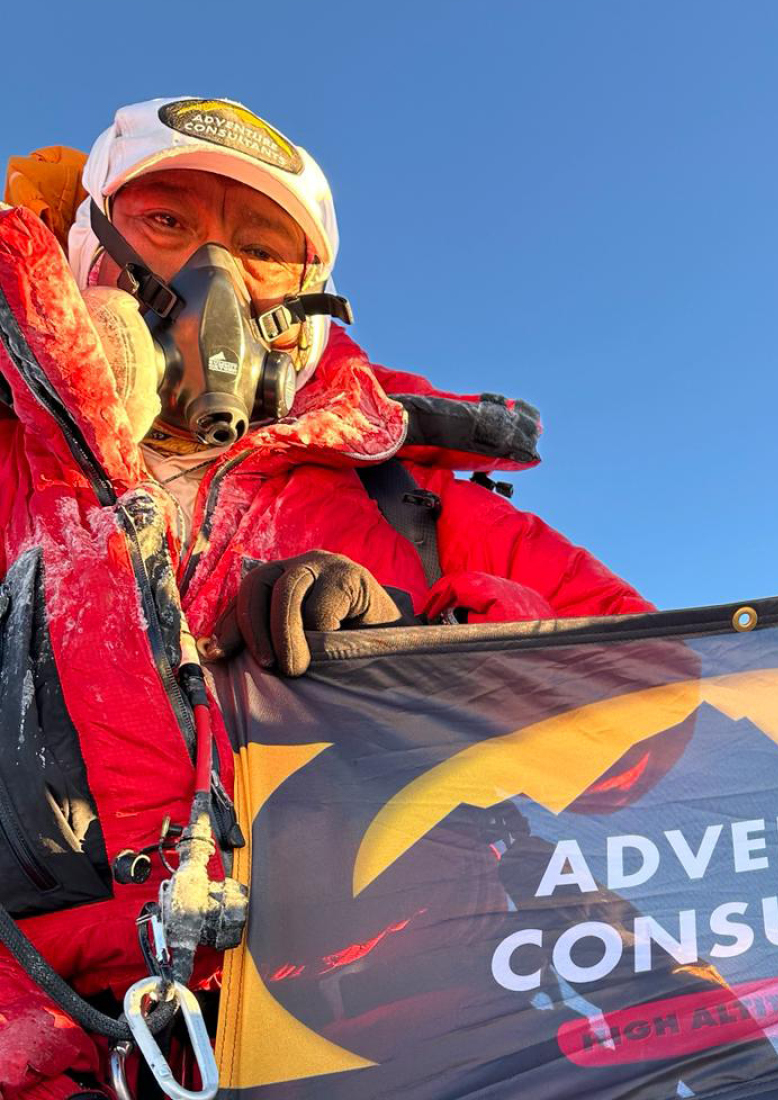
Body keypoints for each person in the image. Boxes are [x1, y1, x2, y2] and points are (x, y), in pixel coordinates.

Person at [0, 97, 657, 1099]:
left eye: (263, 250)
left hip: (410, 1031)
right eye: (167, 222)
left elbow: (655, 716)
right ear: (88, 239)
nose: (214, 283)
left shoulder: (408, 499)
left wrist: (415, 655)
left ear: (310, 296)